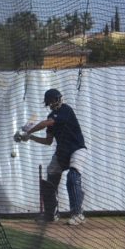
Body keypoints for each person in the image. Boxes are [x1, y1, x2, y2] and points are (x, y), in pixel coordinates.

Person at [16, 88, 87, 225]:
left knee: (72, 178)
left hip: (77, 149)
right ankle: (51, 214)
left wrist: (27, 131)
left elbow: (46, 123)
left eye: (54, 100)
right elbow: (48, 141)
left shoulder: (66, 110)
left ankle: (78, 214)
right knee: (50, 178)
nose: (53, 103)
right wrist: (30, 137)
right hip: (62, 152)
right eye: (50, 102)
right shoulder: (51, 115)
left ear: (59, 99)